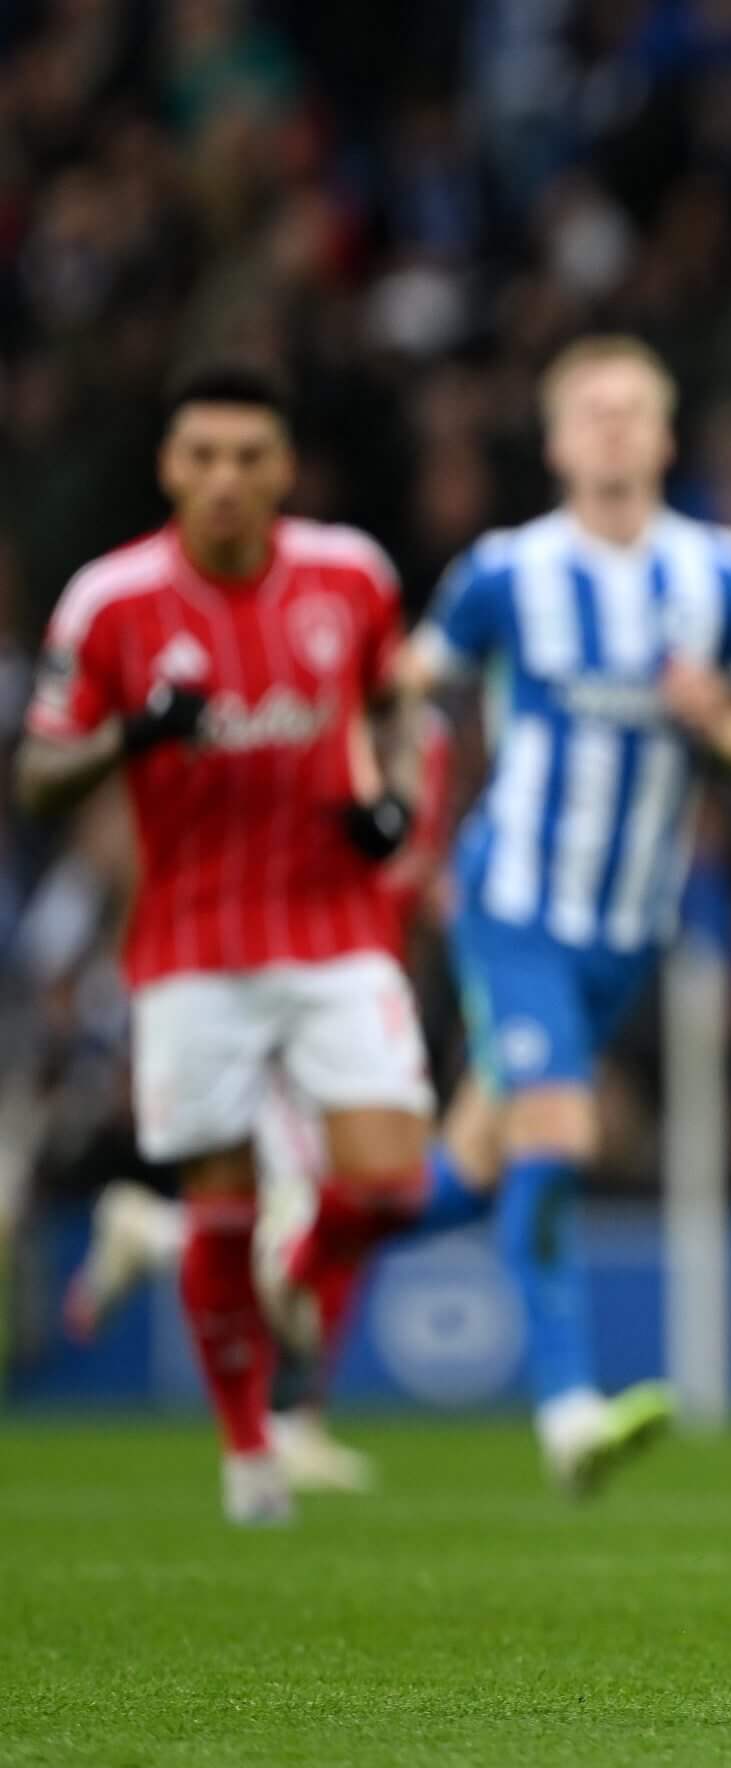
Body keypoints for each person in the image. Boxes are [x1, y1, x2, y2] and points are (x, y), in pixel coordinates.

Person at [16, 365, 436, 1526]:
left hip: (333, 921)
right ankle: (251, 1455)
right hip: (191, 942)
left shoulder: (350, 575)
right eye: (202, 456)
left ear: (283, 469)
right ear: (169, 468)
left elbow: (398, 699)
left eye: (249, 457)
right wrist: (129, 734)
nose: (225, 480)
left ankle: (286, 1277)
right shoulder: (110, 602)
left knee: (394, 1180)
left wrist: (393, 800)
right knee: (223, 1198)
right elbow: (40, 773)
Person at [395, 336, 731, 1494]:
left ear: (664, 438)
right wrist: (408, 837)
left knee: (465, 1175)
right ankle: (568, 1411)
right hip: (513, 906)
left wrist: (716, 718)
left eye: (633, 411)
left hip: (628, 927)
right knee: (557, 1137)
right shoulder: (506, 572)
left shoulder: (718, 571)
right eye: (591, 413)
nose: (613, 429)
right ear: (559, 441)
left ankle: (242, 1239)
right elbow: (407, 691)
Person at [61, 706, 496, 1493]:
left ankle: (157, 1236)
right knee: (312, 1211)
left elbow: (406, 857)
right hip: (283, 987)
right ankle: (285, 1425)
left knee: (339, 1213)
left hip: (353, 986)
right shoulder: (291, 715)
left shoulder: (410, 733)